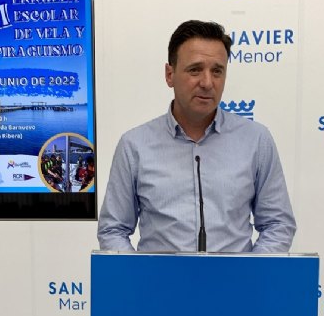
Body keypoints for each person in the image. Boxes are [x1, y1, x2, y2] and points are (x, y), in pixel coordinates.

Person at [97, 20, 296, 253]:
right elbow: (113, 229)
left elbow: (278, 224)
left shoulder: (256, 140)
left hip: (235, 286)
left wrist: (247, 278)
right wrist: (141, 278)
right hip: (159, 287)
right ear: (169, 74)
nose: (207, 83)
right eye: (195, 70)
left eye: (217, 71)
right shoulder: (134, 145)